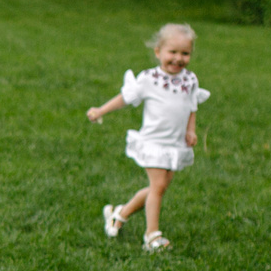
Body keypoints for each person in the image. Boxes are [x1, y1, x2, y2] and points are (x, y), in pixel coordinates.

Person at [88, 22, 208, 251]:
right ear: (158, 52)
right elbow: (125, 97)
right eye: (172, 52)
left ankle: (119, 214)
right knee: (158, 187)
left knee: (159, 188)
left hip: (175, 143)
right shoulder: (149, 79)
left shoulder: (190, 80)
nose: (178, 58)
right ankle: (152, 236)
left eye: (185, 53)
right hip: (154, 142)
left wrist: (191, 130)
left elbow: (191, 106)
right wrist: (101, 110)